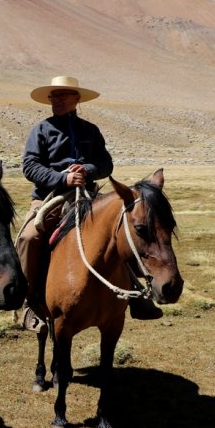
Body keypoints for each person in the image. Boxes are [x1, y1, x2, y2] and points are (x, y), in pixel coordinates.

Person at [17, 76, 162, 324]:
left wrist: (88, 171)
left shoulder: (90, 130)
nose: (58, 100)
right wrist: (62, 179)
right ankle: (27, 300)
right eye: (54, 96)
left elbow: (106, 164)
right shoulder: (41, 129)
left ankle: (137, 292)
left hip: (89, 196)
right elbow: (30, 167)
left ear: (77, 99)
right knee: (29, 237)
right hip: (50, 196)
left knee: (122, 231)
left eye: (64, 95)